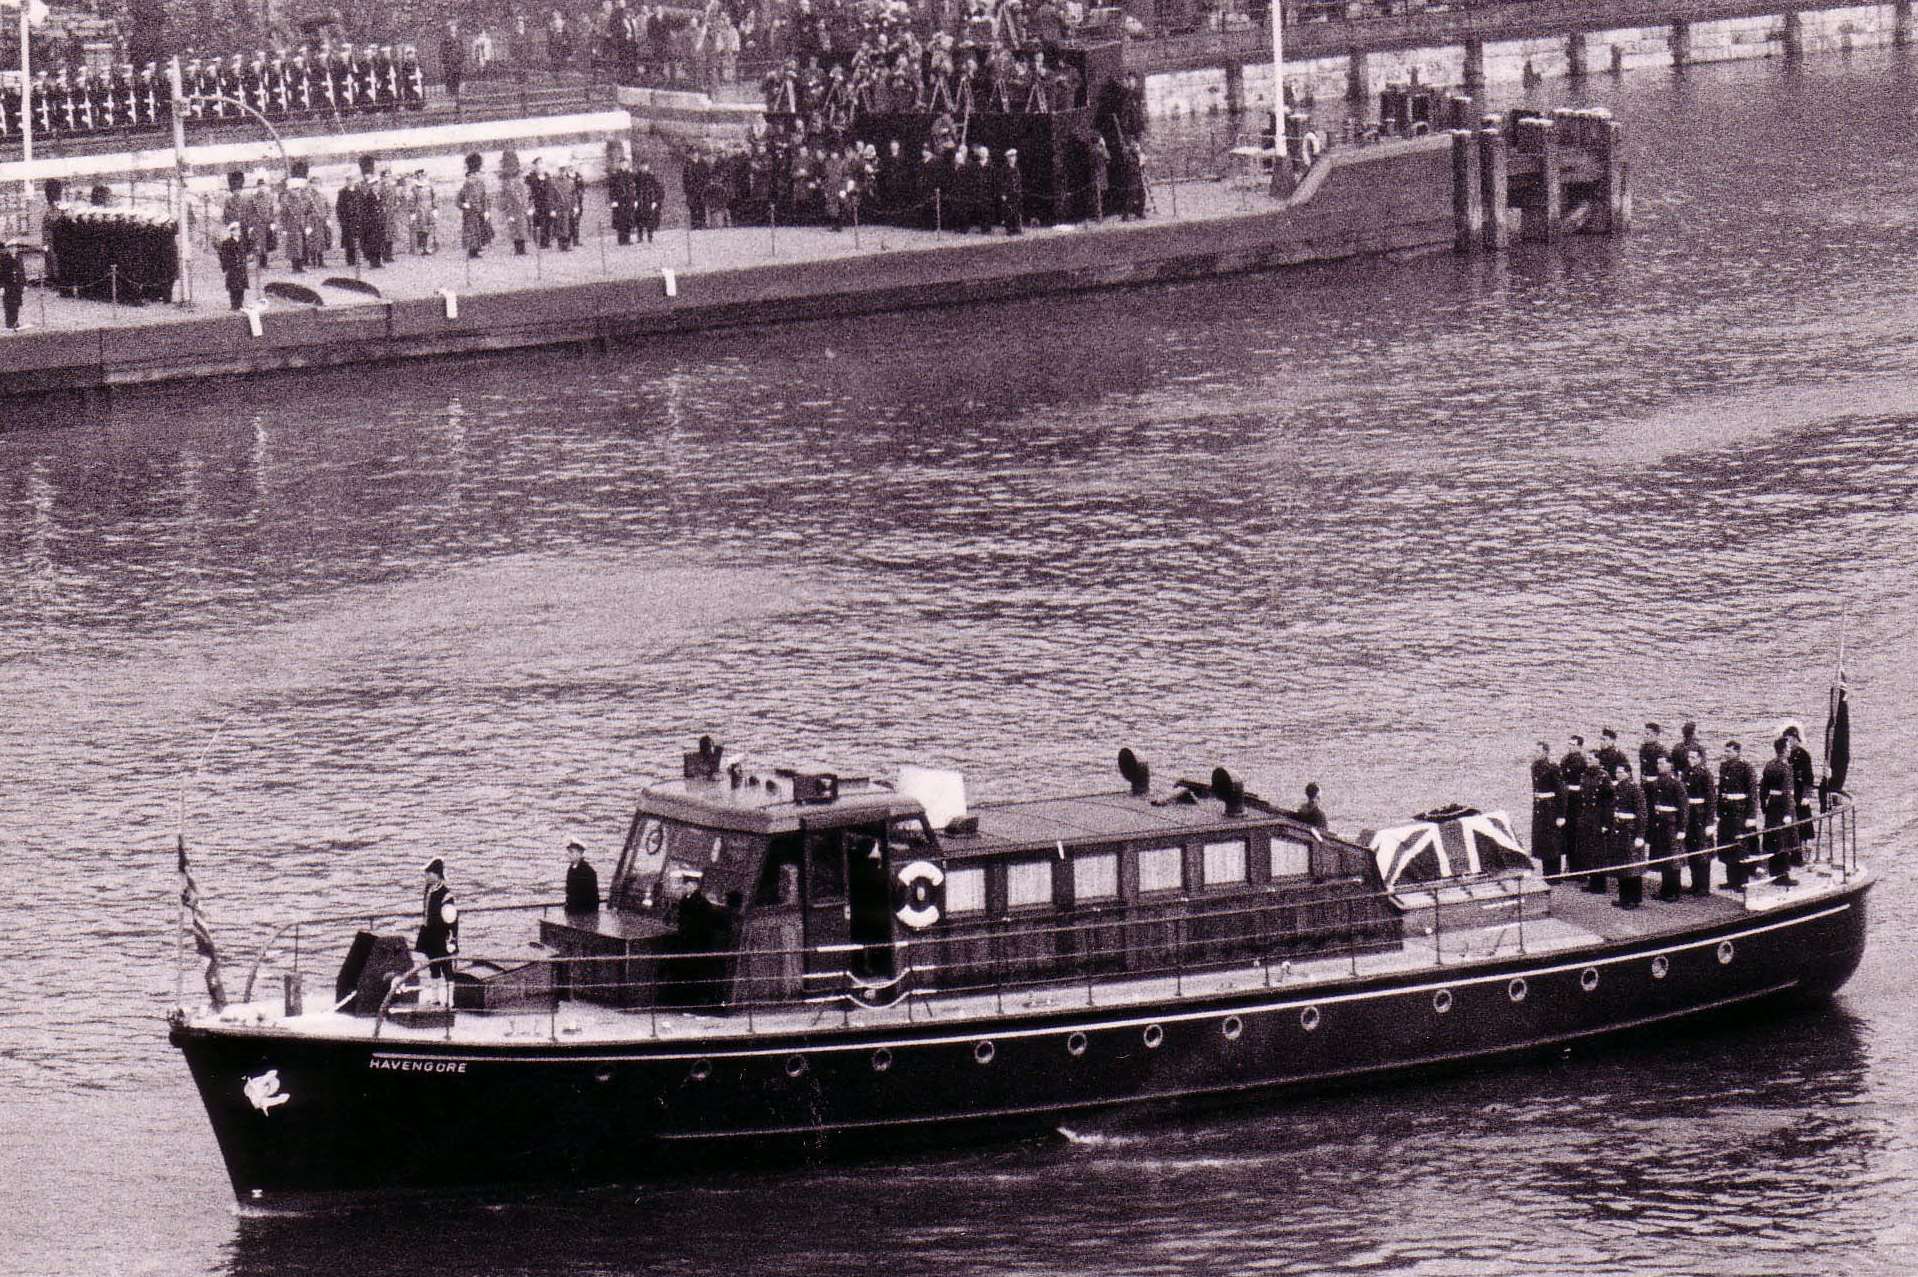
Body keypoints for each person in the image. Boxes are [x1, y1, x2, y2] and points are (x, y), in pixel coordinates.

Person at [416, 857, 461, 1005]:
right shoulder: (428, 889)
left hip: (442, 936)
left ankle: (450, 1000)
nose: (426, 876)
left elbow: (452, 919)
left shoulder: (446, 894)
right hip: (430, 935)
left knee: (446, 968)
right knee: (433, 967)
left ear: (436, 874)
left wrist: (453, 939)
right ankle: (435, 998)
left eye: (428, 873)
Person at [1717, 739, 1759, 891]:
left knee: (1740, 847)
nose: (1726, 754)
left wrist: (1751, 816)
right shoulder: (1724, 767)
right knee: (1728, 846)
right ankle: (1731, 880)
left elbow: (1753, 793)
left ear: (1737, 752)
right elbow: (1721, 790)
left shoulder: (1746, 767)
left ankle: (1742, 881)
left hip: (1739, 811)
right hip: (1727, 812)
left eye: (1729, 751)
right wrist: (1718, 812)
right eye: (1725, 751)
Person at [1646, 753, 1688, 902]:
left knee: (1673, 859)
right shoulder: (1657, 782)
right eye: (1658, 763)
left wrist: (1682, 829)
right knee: (1663, 858)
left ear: (1670, 765)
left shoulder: (1676, 783)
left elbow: (1683, 808)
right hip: (1660, 824)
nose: (1659, 766)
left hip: (1672, 824)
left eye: (1662, 763)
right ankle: (1665, 889)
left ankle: (1674, 891)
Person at [1760, 736, 1799, 886]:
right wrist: (1789, 813)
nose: (1790, 751)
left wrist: (1764, 805)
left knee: (1773, 838)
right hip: (1783, 807)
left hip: (1772, 806)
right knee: (1784, 840)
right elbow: (1787, 792)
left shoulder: (1769, 765)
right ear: (1783, 750)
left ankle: (1774, 872)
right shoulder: (1786, 767)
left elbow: (1763, 788)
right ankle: (1783, 875)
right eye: (1788, 748)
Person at [1679, 744, 1717, 895]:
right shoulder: (1686, 772)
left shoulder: (1705, 773)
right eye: (1689, 757)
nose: (1690, 760)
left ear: (1700, 758)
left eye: (1693, 757)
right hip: (1690, 815)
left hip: (1701, 815)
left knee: (1702, 851)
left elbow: (1711, 799)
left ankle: (1703, 886)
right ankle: (1695, 884)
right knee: (1692, 849)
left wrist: (1710, 822)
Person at [1610, 762, 1647, 909]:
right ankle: (1624, 897)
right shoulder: (1618, 787)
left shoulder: (1634, 788)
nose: (1618, 775)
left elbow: (1642, 813)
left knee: (1632, 866)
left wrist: (1640, 835)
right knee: (1622, 865)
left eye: (1620, 772)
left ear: (1628, 773)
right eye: (1616, 772)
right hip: (1620, 829)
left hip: (1631, 830)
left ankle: (1633, 899)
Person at [1574, 750, 1612, 893]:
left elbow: (1608, 803)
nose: (1588, 761)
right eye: (1587, 759)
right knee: (1588, 849)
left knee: (1599, 851)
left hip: (1598, 818)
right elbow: (1581, 799)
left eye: (1591, 759)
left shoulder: (1604, 777)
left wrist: (1605, 823)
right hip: (1586, 817)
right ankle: (1592, 880)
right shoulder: (1584, 775)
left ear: (1598, 760)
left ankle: (1600, 884)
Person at [1529, 740, 1565, 878]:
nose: (1535, 754)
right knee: (1543, 841)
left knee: (1552, 841)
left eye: (1538, 751)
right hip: (1540, 808)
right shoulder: (1535, 766)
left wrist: (1561, 814)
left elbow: (1561, 791)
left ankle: (1554, 875)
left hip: (1550, 808)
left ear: (1545, 753)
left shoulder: (1552, 768)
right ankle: (1546, 873)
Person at [1783, 723, 1816, 857]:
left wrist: (1806, 795)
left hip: (1800, 792)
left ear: (1795, 738)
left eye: (1789, 738)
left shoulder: (1803, 755)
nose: (1788, 742)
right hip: (1790, 791)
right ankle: (1793, 847)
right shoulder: (1786, 755)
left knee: (1804, 819)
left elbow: (1809, 776)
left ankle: (1805, 847)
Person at [1559, 734, 1588, 876]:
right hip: (1567, 799)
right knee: (1567, 833)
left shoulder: (1582, 762)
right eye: (1569, 744)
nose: (1570, 747)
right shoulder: (1565, 759)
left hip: (1576, 801)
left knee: (1577, 834)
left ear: (1580, 747)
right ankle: (1570, 865)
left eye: (1573, 745)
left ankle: (1578, 868)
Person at [458, 154, 491, 258]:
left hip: (478, 211)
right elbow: (460, 199)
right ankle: (473, 251)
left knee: (478, 231)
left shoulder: (479, 182)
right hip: (471, 212)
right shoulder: (468, 183)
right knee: (472, 231)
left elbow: (484, 197)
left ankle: (476, 250)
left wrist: (486, 210)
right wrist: (464, 205)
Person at [216, 222, 249, 310]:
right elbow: (223, 255)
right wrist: (226, 266)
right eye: (237, 230)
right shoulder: (227, 243)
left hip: (241, 268)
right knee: (233, 286)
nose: (239, 231)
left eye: (239, 229)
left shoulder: (242, 242)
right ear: (232, 232)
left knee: (241, 286)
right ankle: (234, 305)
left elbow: (245, 252)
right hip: (233, 268)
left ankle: (240, 304)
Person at [608, 156, 639, 244]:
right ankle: (621, 240)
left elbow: (633, 188)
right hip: (619, 200)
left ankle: (627, 239)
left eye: (627, 164)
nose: (626, 165)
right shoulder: (615, 175)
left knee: (628, 219)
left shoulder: (630, 175)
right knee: (620, 220)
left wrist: (635, 200)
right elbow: (612, 189)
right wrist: (613, 200)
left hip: (629, 200)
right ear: (621, 164)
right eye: (624, 164)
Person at [564, 838, 599, 913]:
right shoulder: (571, 869)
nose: (568, 855)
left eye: (571, 852)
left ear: (580, 853)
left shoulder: (588, 872)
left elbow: (593, 899)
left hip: (583, 913)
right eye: (568, 852)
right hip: (571, 911)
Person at [635, 160, 664, 242]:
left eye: (646, 166)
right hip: (640, 201)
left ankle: (650, 236)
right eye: (642, 166)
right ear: (640, 167)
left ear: (648, 167)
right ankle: (640, 237)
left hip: (649, 201)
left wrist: (655, 201)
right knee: (639, 220)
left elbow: (658, 189)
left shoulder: (651, 177)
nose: (644, 168)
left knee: (650, 220)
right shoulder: (636, 177)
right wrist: (635, 200)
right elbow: (634, 189)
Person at [440, 18, 467, 100]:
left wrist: (462, 58)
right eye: (452, 26)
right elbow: (443, 50)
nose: (453, 28)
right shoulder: (446, 38)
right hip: (449, 61)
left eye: (454, 26)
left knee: (457, 76)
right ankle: (450, 92)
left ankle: (456, 92)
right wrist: (444, 60)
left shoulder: (459, 38)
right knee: (449, 76)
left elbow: (462, 49)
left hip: (458, 61)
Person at [0, 242, 25, 331]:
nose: (14, 249)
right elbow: (1, 274)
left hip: (17, 285)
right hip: (8, 285)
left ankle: (15, 321)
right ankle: (9, 323)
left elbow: (22, 272)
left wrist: (24, 284)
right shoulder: (4, 258)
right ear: (8, 249)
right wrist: (1, 287)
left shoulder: (19, 258)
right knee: (8, 304)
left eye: (15, 247)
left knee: (17, 303)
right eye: (11, 248)